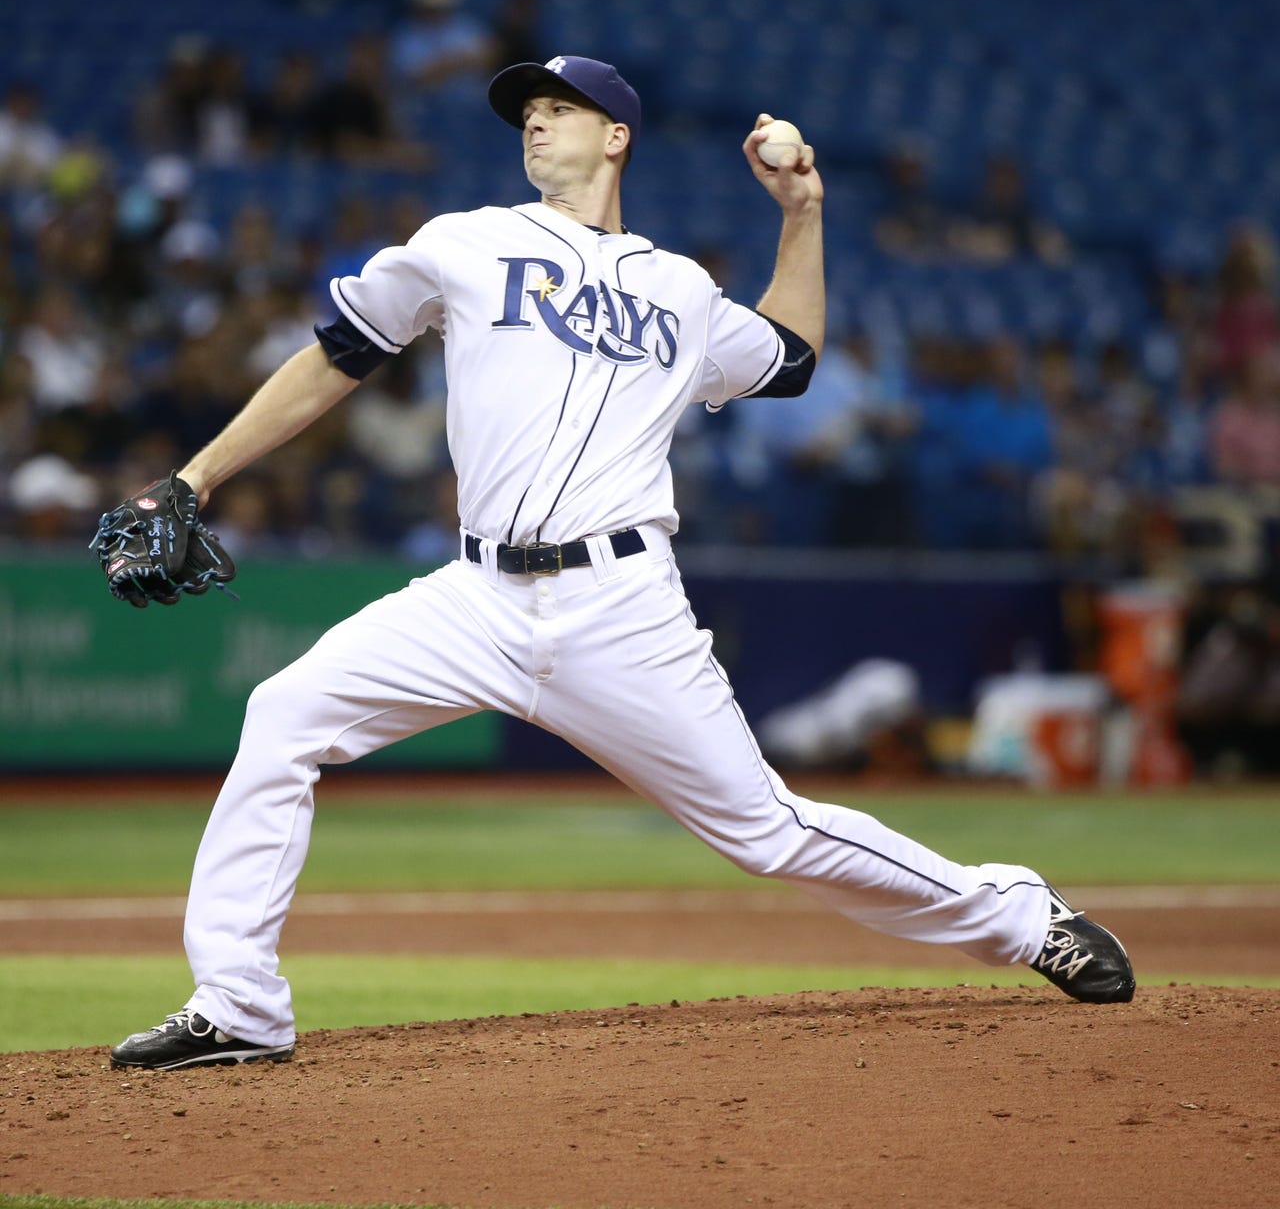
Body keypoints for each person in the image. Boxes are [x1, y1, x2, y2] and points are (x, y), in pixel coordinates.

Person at [106, 54, 1135, 1071]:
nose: (534, 124)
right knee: (284, 714)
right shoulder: (462, 243)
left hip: (619, 603)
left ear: (616, 136)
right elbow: (337, 352)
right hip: (474, 596)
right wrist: (193, 478)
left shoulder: (678, 288)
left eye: (560, 108)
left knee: (766, 831)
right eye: (526, 111)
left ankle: (1016, 914)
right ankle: (238, 1002)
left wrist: (800, 212)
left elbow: (790, 356)